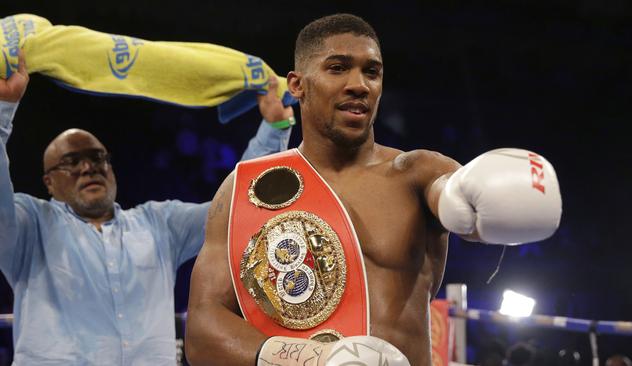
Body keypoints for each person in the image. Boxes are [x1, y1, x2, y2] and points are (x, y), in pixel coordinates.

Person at [185, 14, 562, 366]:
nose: (359, 84)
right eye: (337, 68)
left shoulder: (417, 173)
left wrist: (472, 198)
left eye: (372, 72)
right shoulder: (243, 189)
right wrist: (314, 359)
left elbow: (466, 208)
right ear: (297, 85)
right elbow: (202, 332)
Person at [0, 51, 294, 365]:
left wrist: (275, 128)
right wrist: (3, 109)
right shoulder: (28, 227)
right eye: (71, 162)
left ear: (111, 169)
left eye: (98, 158)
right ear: (49, 182)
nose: (88, 168)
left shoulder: (158, 224)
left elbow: (235, 208)